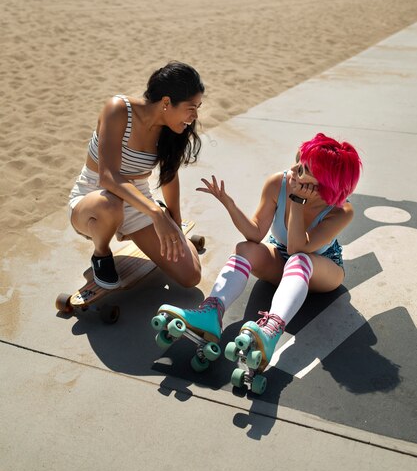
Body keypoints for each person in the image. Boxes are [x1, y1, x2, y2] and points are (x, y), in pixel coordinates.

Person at [155, 133, 362, 373]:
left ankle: (271, 330)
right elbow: (254, 234)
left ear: (324, 183)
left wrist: (296, 201)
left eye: (304, 169)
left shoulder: (342, 211)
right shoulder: (279, 182)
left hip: (322, 271)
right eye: (298, 158)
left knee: (300, 258)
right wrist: (229, 204)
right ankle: (211, 312)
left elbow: (298, 248)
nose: (294, 168)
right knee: (244, 249)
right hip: (283, 260)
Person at [68, 61, 204, 290]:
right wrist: (156, 215)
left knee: (190, 277)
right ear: (166, 102)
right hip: (94, 197)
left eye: (198, 107)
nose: (195, 115)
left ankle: (139, 226)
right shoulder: (119, 109)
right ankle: (101, 254)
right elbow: (108, 176)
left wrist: (175, 223)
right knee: (110, 204)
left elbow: (169, 176)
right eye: (191, 107)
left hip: (138, 199)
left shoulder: (173, 129)